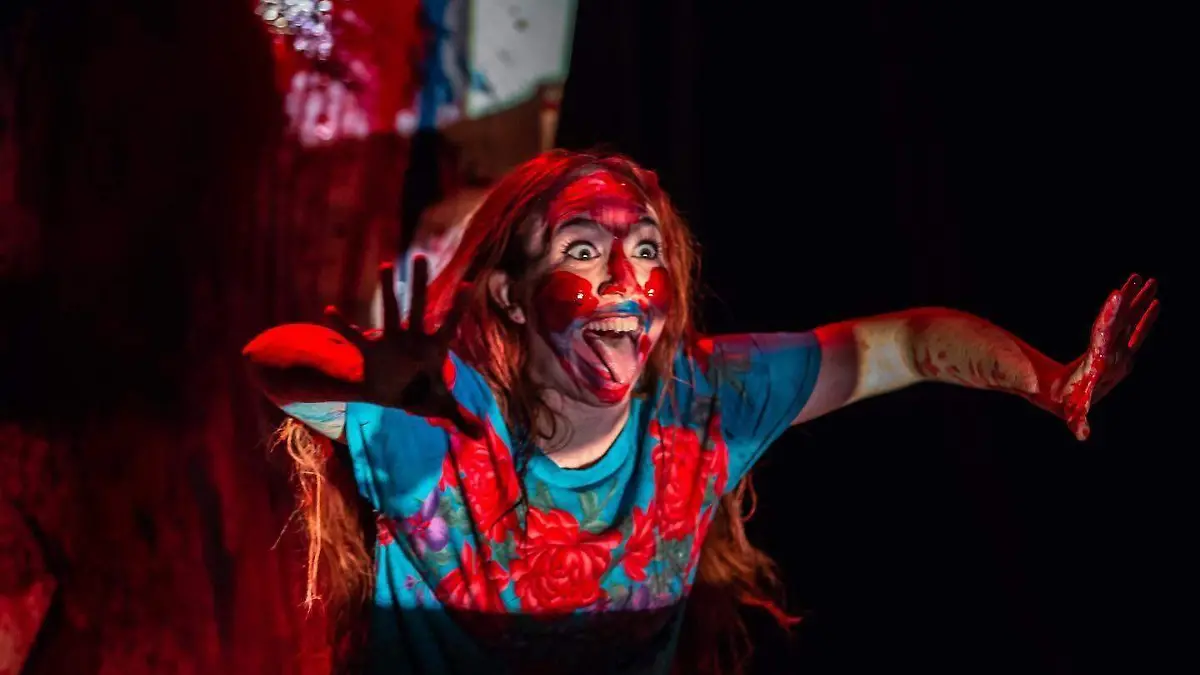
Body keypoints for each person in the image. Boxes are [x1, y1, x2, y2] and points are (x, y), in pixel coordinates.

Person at [242, 149, 1159, 675]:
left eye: (645, 248)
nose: (627, 277)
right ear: (512, 296)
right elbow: (274, 362)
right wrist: (365, 375)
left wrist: (1052, 382)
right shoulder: (435, 414)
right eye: (583, 249)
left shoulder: (704, 402)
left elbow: (907, 344)